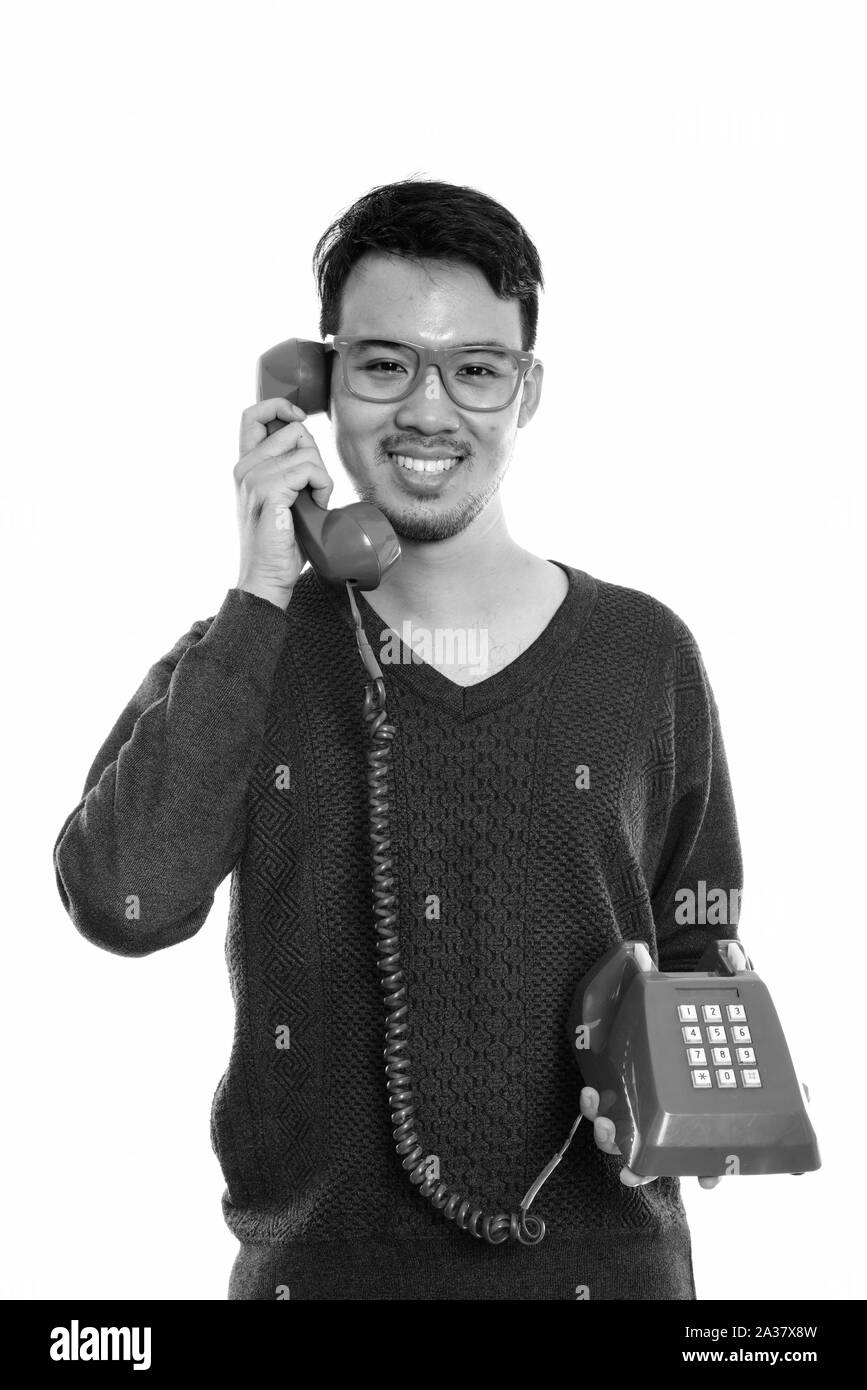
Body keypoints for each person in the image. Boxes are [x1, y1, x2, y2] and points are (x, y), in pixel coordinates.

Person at [53, 177, 744, 1301]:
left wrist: (692, 1117)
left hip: (605, 1279)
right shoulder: (241, 653)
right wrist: (264, 588)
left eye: (476, 369)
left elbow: (700, 937)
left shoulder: (645, 654)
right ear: (316, 386)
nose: (429, 412)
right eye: (384, 365)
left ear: (528, 392)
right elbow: (122, 902)